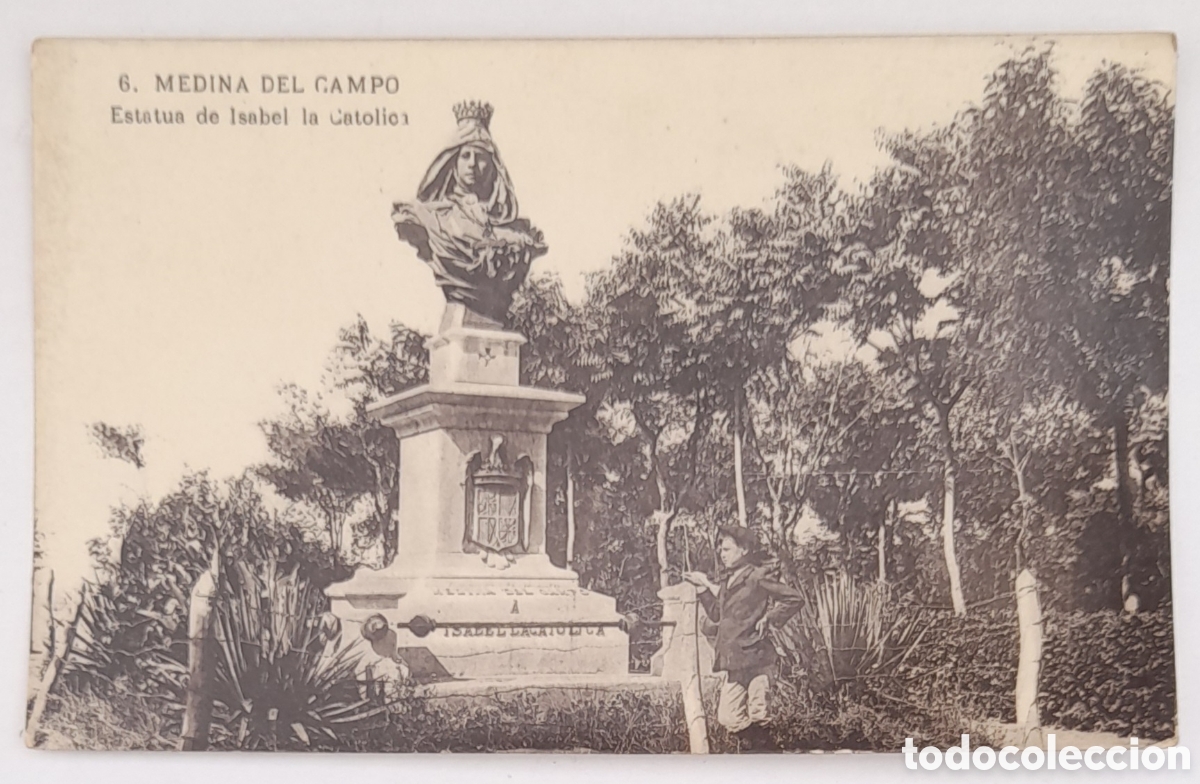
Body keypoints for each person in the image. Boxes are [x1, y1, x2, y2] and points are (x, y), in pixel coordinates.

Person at [392, 100, 546, 324]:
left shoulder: (517, 231)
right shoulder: (428, 216)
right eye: (465, 155)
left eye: (480, 156)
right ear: (453, 163)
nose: (472, 164)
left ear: (493, 164)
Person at [684, 526, 803, 751]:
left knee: (760, 714)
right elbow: (717, 614)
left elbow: (794, 598)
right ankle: (764, 750)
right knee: (728, 717)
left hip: (757, 657)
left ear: (744, 550)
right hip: (735, 660)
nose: (722, 553)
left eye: (727, 549)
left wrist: (769, 617)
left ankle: (763, 758)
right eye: (721, 549)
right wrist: (702, 589)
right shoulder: (727, 580)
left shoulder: (757, 576)